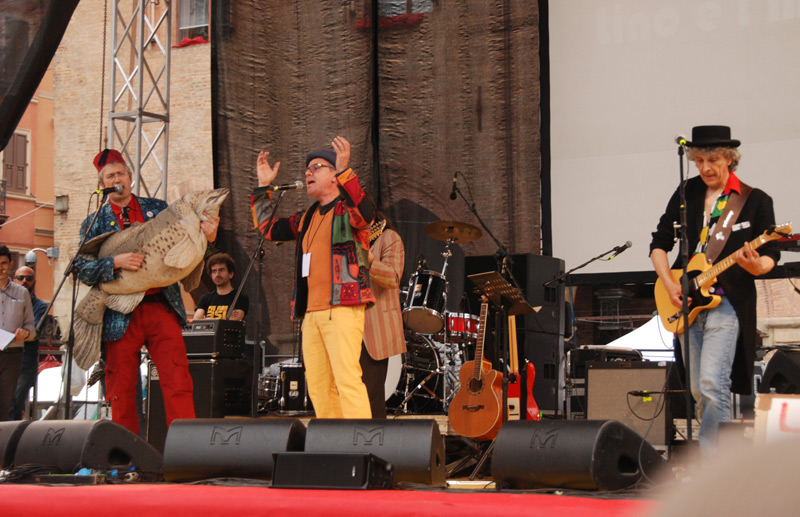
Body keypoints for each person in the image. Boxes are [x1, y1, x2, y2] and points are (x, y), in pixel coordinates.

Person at [650, 125, 780, 454]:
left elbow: (770, 255)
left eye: (713, 160)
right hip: (687, 301)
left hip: (727, 304)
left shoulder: (755, 200)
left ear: (729, 159)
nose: (705, 168)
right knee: (697, 390)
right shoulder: (687, 193)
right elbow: (659, 244)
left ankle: (712, 464)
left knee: (712, 384)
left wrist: (756, 266)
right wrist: (669, 283)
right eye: (699, 161)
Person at [74, 149, 219, 435]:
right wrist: (114, 262)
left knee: (178, 378)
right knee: (121, 388)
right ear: (102, 184)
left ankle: (184, 447)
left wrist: (209, 238)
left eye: (121, 173)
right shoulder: (94, 222)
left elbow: (189, 251)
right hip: (119, 314)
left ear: (130, 177)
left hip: (160, 303)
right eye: (110, 176)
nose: (117, 179)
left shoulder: (158, 208)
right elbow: (81, 269)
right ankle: (125, 452)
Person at [251, 136, 375, 418]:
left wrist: (346, 171)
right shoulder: (307, 217)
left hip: (342, 307)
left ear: (334, 176)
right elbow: (269, 229)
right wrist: (263, 187)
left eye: (316, 167)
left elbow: (365, 214)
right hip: (311, 312)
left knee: (347, 380)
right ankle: (333, 441)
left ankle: (359, 441)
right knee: (318, 387)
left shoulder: (347, 209)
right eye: (307, 168)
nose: (308, 172)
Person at [360, 212, 406, 418]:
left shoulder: (389, 238)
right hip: (346, 325)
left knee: (371, 395)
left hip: (374, 327)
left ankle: (374, 436)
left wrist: (368, 259)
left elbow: (392, 278)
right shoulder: (344, 239)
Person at [0, 246, 35, 421]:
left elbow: (31, 327)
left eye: (3, 263)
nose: (0, 268)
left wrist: (25, 333)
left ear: (11, 264)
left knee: (5, 407)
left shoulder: (22, 293)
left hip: (13, 356)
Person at [10, 266, 48, 419]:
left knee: (14, 405)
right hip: (7, 359)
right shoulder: (7, 302)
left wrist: (16, 332)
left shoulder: (40, 306)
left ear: (34, 282)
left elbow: (33, 333)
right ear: (14, 280)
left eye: (29, 278)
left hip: (25, 364)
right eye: (20, 278)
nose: (24, 281)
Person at [193, 253, 249, 321]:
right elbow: (197, 320)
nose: (217, 274)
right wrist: (225, 318)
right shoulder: (205, 298)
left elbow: (233, 321)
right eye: (214, 271)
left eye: (221, 270)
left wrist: (207, 319)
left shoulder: (240, 298)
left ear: (231, 274)